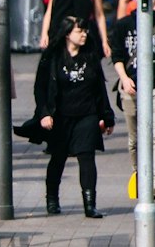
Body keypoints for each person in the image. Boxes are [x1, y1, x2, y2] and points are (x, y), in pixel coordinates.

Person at [31, 16, 115, 217]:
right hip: (60, 116)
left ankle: (89, 204)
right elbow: (40, 88)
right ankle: (52, 199)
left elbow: (99, 88)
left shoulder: (90, 56)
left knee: (86, 157)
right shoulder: (52, 57)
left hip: (87, 115)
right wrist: (44, 113)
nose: (84, 34)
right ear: (68, 34)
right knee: (58, 158)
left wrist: (107, 115)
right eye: (80, 31)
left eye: (86, 30)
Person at [109, 0, 155, 198]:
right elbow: (117, 56)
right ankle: (140, 175)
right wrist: (124, 78)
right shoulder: (123, 25)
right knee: (135, 139)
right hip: (131, 88)